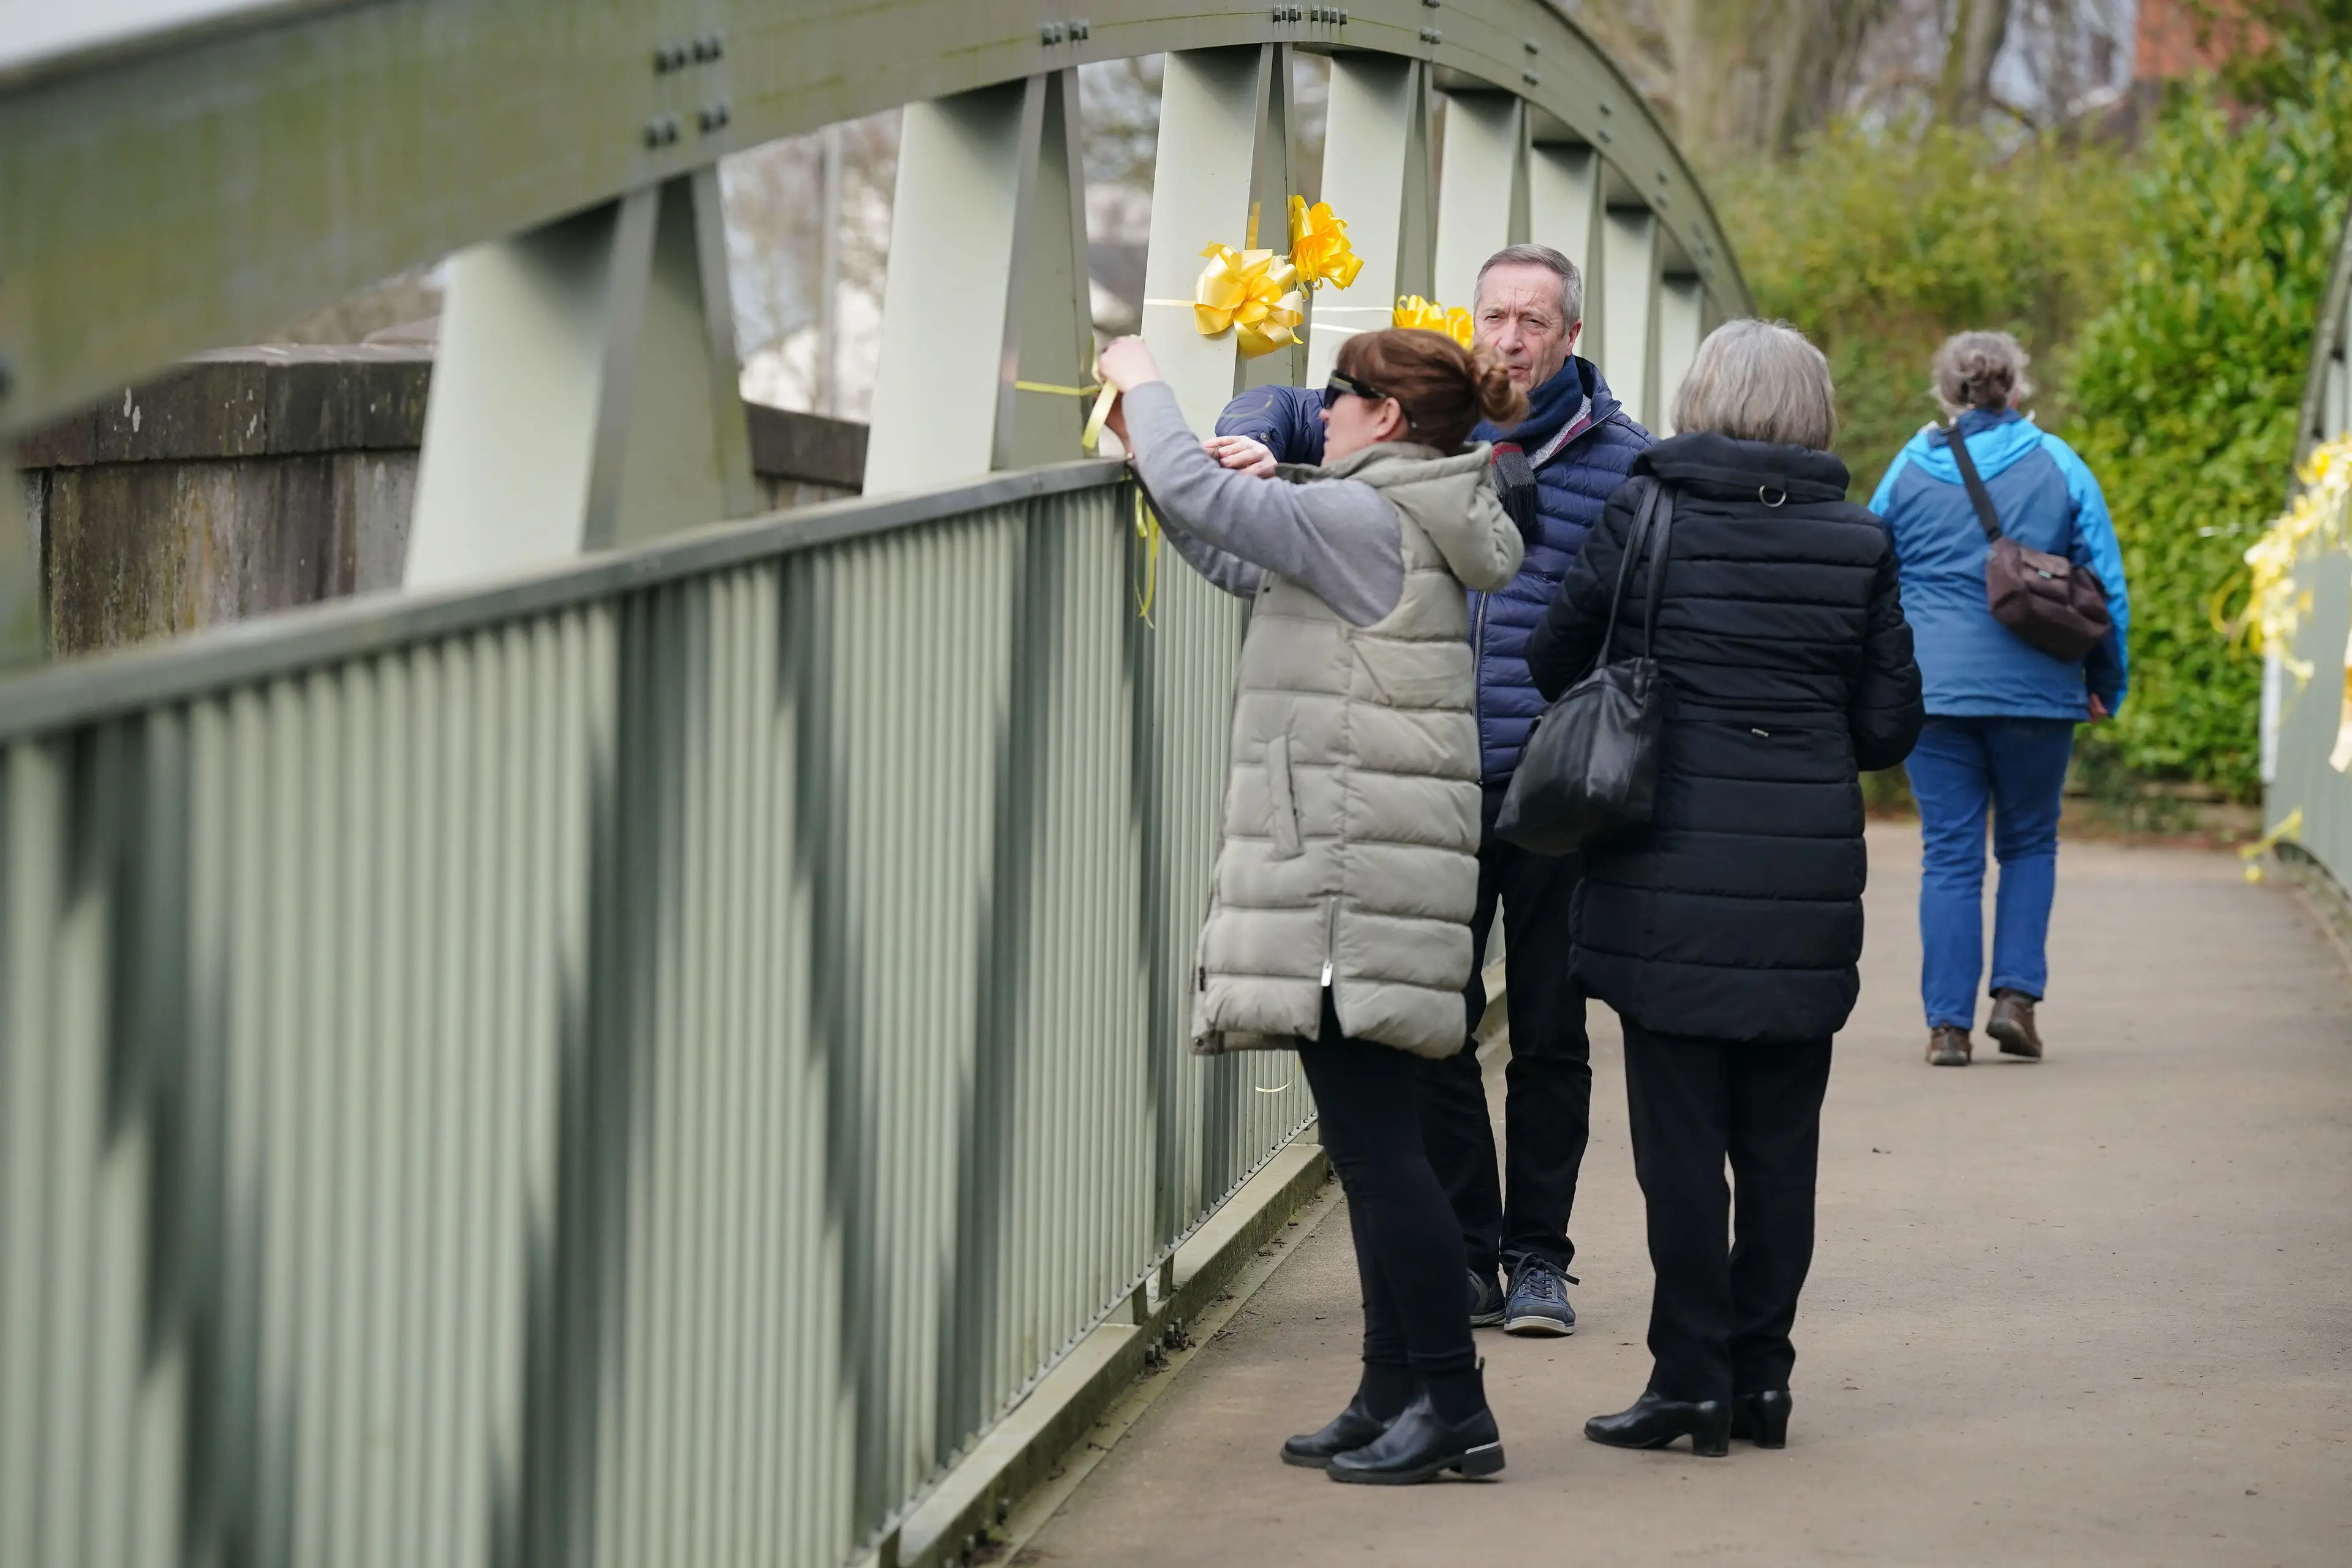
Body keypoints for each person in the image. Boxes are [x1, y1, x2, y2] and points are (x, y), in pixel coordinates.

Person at [1096, 325, 1528, 1483]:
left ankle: (1455, 1405)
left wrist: (1147, 391)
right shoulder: (1384, 510)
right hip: (1366, 867)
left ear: (1384, 417)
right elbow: (1235, 553)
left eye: (1334, 397)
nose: (1319, 412)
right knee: (1369, 1142)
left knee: (1385, 1158)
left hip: (1348, 878)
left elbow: (1192, 486)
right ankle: (1391, 1387)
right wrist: (1244, 485)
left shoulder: (1357, 516)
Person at [1210, 244, 1651, 1338]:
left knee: (1551, 1030)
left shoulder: (1627, 462)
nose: (1509, 338)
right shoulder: (1426, 416)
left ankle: (1541, 1255)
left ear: (1570, 337)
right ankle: (1469, 1250)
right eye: (1494, 315)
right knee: (1434, 1031)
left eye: (1532, 321)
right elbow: (1288, 396)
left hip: (1551, 787)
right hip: (1432, 782)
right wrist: (1257, 440)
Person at [1524, 320, 1923, 1456]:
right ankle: (1764, 1383)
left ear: (1700, 393)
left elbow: (1554, 659)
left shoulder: (1646, 512)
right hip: (1800, 876)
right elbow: (1890, 722)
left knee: (1681, 1151)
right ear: (1816, 410)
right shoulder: (1861, 540)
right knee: (1782, 1147)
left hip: (1666, 873)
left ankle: (1689, 1381)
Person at [1869, 331, 2130, 1067]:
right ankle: (2015, 1000)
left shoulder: (1908, 468)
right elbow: (2103, 586)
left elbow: (1870, 573)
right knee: (2028, 843)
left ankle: (1947, 1027)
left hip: (1935, 693)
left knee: (1948, 855)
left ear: (1945, 391)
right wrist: (2106, 682)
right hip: (2038, 692)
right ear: (2015, 388)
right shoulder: (2061, 464)